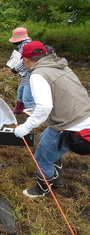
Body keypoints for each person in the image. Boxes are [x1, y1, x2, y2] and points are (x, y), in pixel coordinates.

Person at [14, 41, 90, 198]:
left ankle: (42, 190)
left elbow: (44, 107)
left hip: (68, 125)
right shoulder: (61, 66)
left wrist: (25, 128)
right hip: (83, 114)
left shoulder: (38, 75)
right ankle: (56, 177)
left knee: (42, 159)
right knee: (45, 139)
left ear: (26, 60)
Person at [9, 27, 34, 114]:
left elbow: (25, 61)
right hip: (25, 76)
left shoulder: (25, 46)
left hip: (30, 75)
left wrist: (16, 69)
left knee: (28, 97)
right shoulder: (25, 45)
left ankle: (33, 116)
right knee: (20, 91)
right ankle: (19, 109)